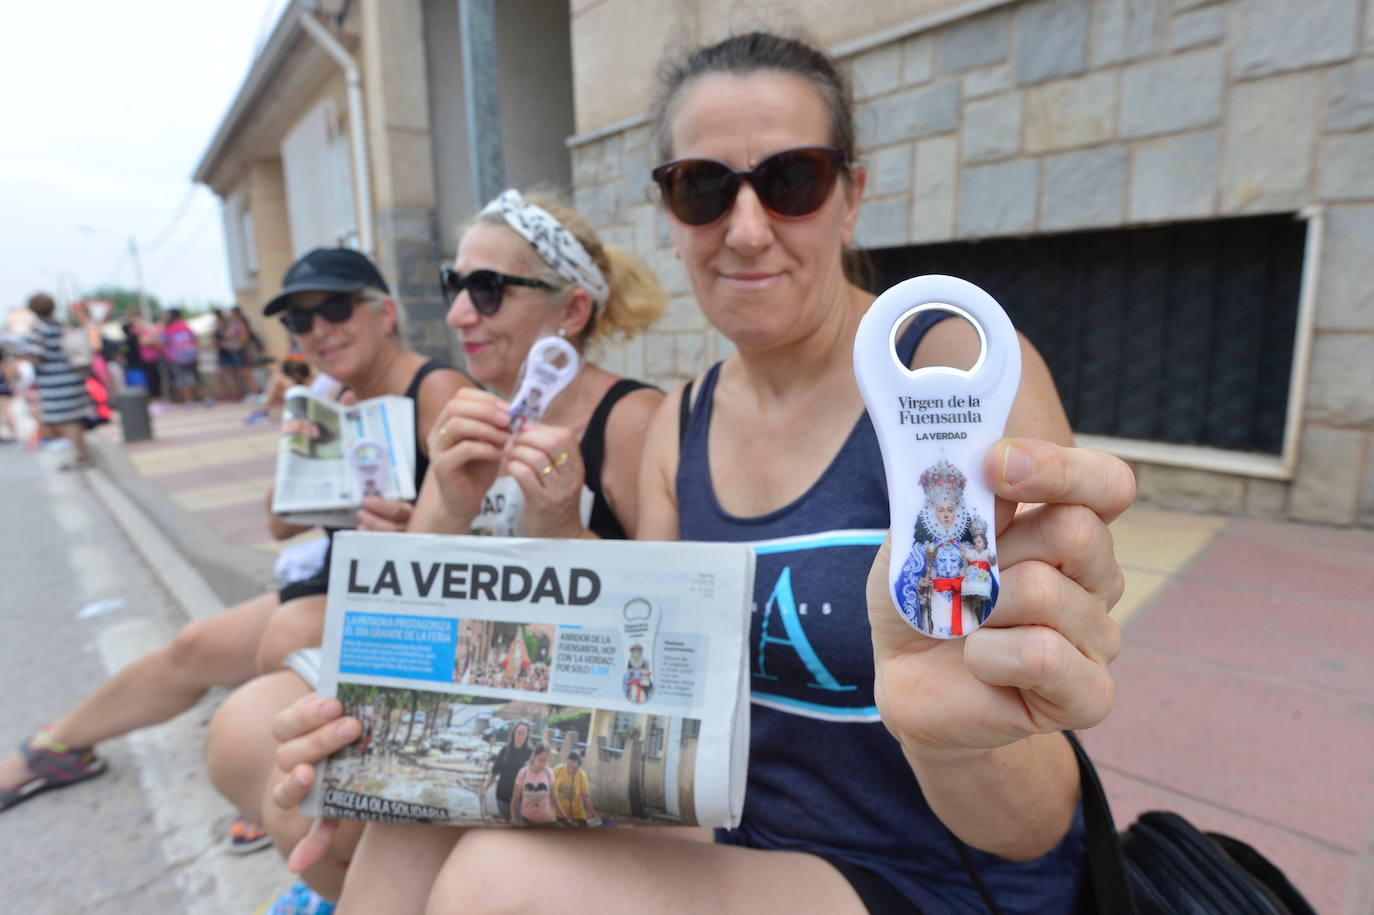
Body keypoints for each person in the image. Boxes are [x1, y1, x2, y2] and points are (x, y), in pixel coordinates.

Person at [261, 31, 1132, 914]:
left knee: (498, 885)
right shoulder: (683, 418)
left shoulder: (949, 376)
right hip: (733, 836)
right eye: (704, 188)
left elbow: (1033, 817)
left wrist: (947, 735)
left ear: (851, 196)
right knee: (413, 812)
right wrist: (396, 742)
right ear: (671, 217)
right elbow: (650, 697)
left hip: (935, 875)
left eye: (793, 182)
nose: (747, 230)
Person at [200, 189, 666, 905]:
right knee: (253, 747)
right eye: (456, 286)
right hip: (461, 678)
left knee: (323, 816)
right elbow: (407, 605)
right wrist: (439, 508)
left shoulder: (631, 418)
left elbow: (661, 623)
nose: (456, 314)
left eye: (486, 290)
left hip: (559, 707)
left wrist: (565, 531)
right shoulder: (472, 410)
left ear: (570, 311)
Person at [0, 249, 469, 821]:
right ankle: (55, 747)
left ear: (385, 312)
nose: (319, 329)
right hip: (346, 576)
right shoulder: (336, 401)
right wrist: (302, 445)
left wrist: (413, 525)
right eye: (299, 320)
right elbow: (279, 523)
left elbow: (487, 531)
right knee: (191, 645)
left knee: (284, 632)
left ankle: (281, 795)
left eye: (336, 308)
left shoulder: (437, 390)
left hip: (414, 597)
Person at [21, 293, 92, 470]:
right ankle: (80, 454)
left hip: (56, 383)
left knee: (65, 421)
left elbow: (37, 355)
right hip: (71, 377)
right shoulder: (59, 325)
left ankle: (81, 456)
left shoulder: (39, 329)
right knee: (71, 419)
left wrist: (19, 354)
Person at [482, 723, 532, 821]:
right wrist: (484, 789)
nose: (520, 736)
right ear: (513, 734)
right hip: (502, 797)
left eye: (523, 733)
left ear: (527, 736)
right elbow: (494, 772)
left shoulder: (530, 753)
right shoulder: (505, 750)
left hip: (520, 799)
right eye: (518, 733)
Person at [510, 743, 557, 826]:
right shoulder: (523, 773)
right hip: (527, 820)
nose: (543, 763)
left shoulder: (549, 773)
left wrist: (564, 817)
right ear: (534, 757)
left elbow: (553, 797)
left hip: (547, 821)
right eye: (540, 759)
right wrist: (514, 818)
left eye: (545, 760)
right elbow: (515, 799)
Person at [552, 751, 599, 827]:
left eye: (574, 766)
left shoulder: (581, 775)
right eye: (569, 765)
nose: (571, 769)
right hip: (559, 813)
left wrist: (593, 814)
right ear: (567, 760)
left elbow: (585, 796)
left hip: (577, 814)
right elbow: (549, 789)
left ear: (578, 765)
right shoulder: (558, 770)